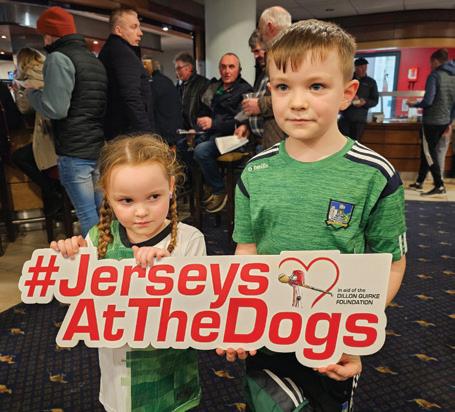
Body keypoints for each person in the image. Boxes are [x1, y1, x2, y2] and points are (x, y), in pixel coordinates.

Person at [220, 20, 407, 412]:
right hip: (268, 332)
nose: (297, 102)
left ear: (347, 94)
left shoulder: (374, 174)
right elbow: (247, 250)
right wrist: (241, 316)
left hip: (332, 337)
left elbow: (391, 262)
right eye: (283, 87)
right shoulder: (255, 172)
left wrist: (356, 330)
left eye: (316, 86)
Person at [50, 135, 206, 412]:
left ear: (171, 187)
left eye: (153, 197)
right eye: (126, 200)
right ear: (107, 196)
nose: (141, 211)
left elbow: (199, 311)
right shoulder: (97, 238)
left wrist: (166, 271)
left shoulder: (189, 239)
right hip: (117, 375)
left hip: (170, 377)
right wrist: (70, 261)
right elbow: (76, 303)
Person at [27, 6, 107, 236]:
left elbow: (56, 109)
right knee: (103, 211)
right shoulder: (93, 60)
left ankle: (97, 257)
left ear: (50, 34)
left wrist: (32, 93)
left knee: (86, 214)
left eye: (44, 34)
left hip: (73, 149)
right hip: (97, 146)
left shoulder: (58, 58)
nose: (44, 39)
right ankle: (111, 254)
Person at [193, 53, 252, 213]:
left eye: (231, 67)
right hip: (210, 134)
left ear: (239, 69)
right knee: (185, 147)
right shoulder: (214, 87)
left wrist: (213, 123)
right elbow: (202, 110)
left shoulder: (245, 90)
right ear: (219, 69)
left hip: (232, 138)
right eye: (223, 67)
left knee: (201, 151)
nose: (227, 71)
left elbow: (241, 120)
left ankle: (219, 190)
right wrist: (198, 124)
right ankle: (207, 185)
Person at [11, 47, 63, 217]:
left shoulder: (28, 81)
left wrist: (18, 89)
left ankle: (53, 193)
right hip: (63, 141)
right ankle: (56, 197)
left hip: (50, 143)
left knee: (19, 157)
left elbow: (24, 108)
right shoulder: (49, 73)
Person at [235, 6, 292, 150]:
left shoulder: (291, 55)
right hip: (269, 140)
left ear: (269, 27)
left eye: (261, 30)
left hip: (283, 143)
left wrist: (260, 104)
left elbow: (294, 98)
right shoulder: (274, 58)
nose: (261, 36)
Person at [99, 7, 154, 139]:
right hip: (128, 133)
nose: (140, 33)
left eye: (139, 27)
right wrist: (147, 135)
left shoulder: (112, 50)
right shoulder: (122, 53)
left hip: (118, 130)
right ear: (118, 30)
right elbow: (131, 97)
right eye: (134, 27)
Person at [408, 49, 455, 196]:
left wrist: (414, 104)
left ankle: (439, 185)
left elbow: (428, 101)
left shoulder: (435, 76)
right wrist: (450, 121)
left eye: (431, 63)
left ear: (435, 61)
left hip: (431, 121)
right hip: (444, 121)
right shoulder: (453, 76)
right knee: (427, 151)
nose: (430, 65)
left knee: (429, 153)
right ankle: (420, 182)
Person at [338, 57, 379, 141]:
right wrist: (349, 97)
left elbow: (375, 100)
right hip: (345, 117)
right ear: (355, 68)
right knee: (341, 142)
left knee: (355, 143)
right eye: (360, 67)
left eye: (365, 67)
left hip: (359, 120)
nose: (363, 70)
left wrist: (365, 102)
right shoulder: (347, 79)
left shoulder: (371, 82)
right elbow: (338, 95)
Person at [144, 59, 182, 146]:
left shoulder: (153, 83)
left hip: (163, 132)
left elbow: (148, 108)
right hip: (172, 129)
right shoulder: (166, 80)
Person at [174, 52, 210, 131]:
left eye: (179, 68)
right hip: (183, 131)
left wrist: (196, 129)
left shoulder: (204, 84)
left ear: (189, 68)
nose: (177, 72)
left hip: (199, 131)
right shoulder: (179, 86)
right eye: (176, 69)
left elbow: (207, 111)